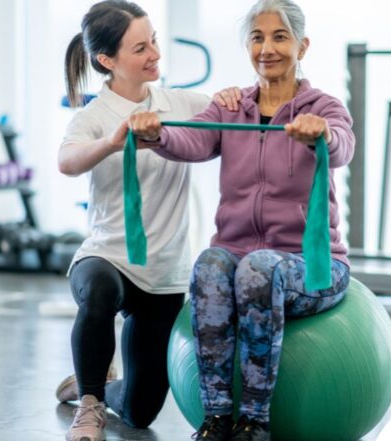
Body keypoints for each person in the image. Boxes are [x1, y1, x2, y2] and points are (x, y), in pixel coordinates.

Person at [128, 0, 355, 440]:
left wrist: (321, 134)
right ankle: (216, 419)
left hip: (312, 268)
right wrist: (157, 133)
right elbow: (190, 138)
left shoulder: (323, 107)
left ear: (302, 45)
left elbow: (344, 145)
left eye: (279, 36)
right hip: (240, 260)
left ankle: (254, 422)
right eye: (257, 37)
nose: (266, 48)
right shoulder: (230, 107)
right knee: (212, 263)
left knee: (257, 269)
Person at [58, 2, 239, 440]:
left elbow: (232, 114)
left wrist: (235, 98)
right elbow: (66, 161)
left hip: (163, 274)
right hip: (108, 257)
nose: (155, 52)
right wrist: (111, 142)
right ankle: (89, 404)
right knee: (98, 291)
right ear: (108, 61)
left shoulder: (181, 103)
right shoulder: (93, 117)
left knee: (140, 413)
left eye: (153, 39)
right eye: (141, 47)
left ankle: (92, 385)